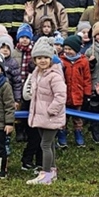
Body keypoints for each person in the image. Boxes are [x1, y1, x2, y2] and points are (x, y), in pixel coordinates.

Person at [24, 37, 67, 185]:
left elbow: (61, 96)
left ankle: (46, 173)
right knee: (48, 144)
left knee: (45, 145)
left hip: (50, 116)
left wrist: (51, 110)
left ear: (51, 58)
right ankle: (52, 170)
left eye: (45, 58)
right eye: (39, 58)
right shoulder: (37, 73)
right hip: (41, 116)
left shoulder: (54, 76)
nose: (42, 61)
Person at [61, 35, 92, 147]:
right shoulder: (61, 61)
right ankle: (62, 135)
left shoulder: (83, 62)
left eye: (70, 49)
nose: (67, 52)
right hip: (64, 95)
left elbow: (87, 79)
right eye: (66, 49)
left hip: (78, 95)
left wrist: (87, 94)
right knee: (63, 118)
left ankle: (78, 134)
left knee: (77, 118)